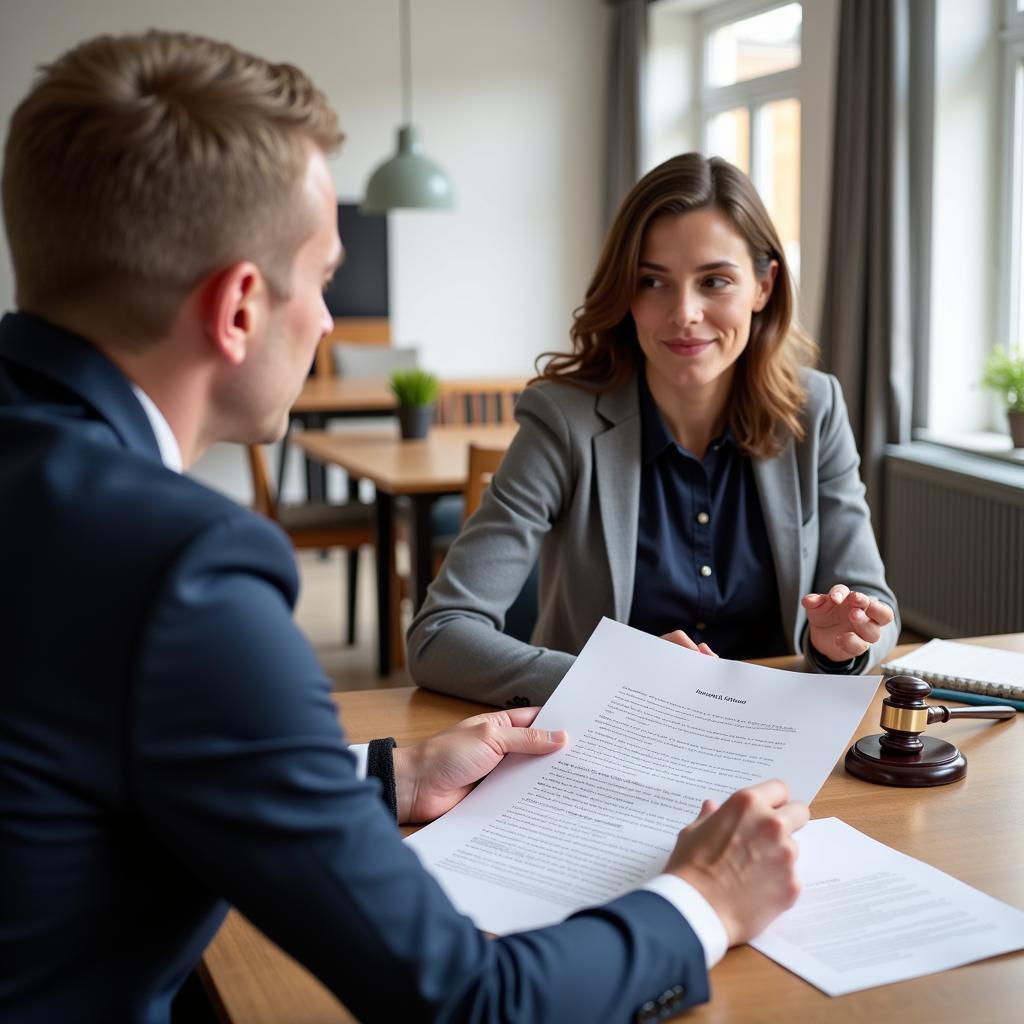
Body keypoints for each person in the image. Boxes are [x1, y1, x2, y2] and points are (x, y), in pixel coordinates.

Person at [0, 31, 809, 1023]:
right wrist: (702, 900)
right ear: (242, 308)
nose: (333, 321)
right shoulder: (185, 574)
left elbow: (92, 747)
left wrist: (387, 770)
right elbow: (465, 999)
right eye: (326, 275)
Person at [408, 153, 900, 708]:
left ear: (764, 286)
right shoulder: (562, 419)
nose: (684, 312)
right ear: (626, 295)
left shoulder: (815, 407)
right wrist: (614, 678)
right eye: (653, 282)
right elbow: (439, 635)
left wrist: (841, 644)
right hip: (607, 737)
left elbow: (874, 604)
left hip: (773, 733)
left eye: (715, 280)